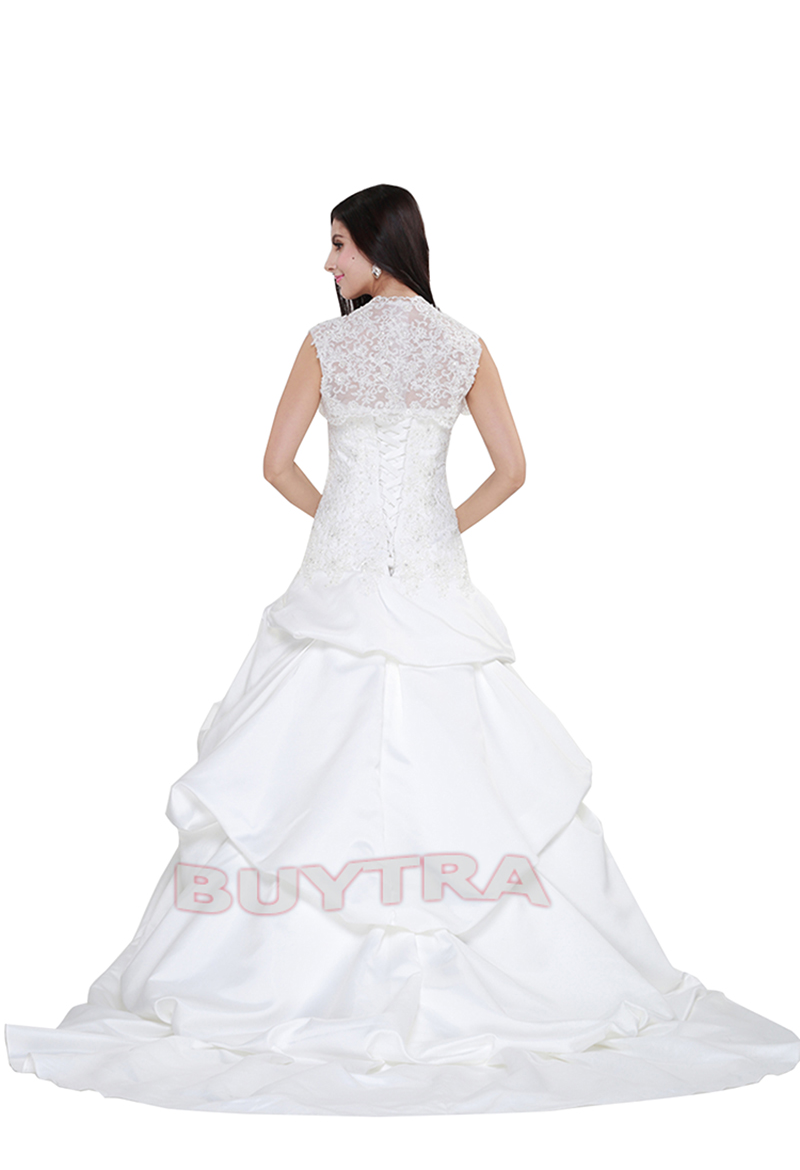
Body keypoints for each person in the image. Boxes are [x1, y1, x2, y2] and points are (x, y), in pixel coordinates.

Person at [5, 184, 799, 1116]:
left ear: (381, 250)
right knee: (472, 769)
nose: (327, 263)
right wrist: (435, 528)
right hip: (431, 588)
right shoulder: (465, 345)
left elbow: (274, 466)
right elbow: (513, 470)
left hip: (340, 587)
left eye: (338, 244)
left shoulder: (325, 344)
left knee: (293, 778)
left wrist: (340, 522)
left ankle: (273, 980)